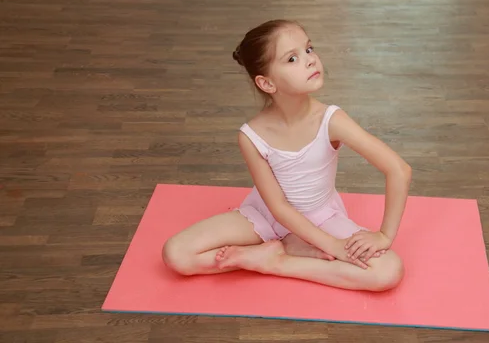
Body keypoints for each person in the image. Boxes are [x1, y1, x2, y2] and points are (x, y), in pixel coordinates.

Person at [162, 20, 412, 292]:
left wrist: (384, 236)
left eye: (309, 49)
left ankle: (277, 261)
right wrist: (332, 247)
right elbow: (278, 207)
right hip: (264, 216)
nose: (310, 60)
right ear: (266, 82)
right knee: (176, 254)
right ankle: (286, 247)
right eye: (292, 58)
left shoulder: (331, 120)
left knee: (388, 271)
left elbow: (399, 170)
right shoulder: (251, 135)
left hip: (321, 218)